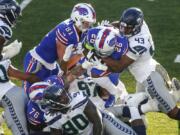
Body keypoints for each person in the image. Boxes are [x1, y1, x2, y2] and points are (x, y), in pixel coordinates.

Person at [98, 7, 180, 120]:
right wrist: (107, 28)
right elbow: (122, 25)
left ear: (136, 28)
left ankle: (174, 96)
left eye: (128, 28)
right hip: (146, 72)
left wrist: (100, 52)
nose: (124, 30)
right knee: (137, 108)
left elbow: (119, 66)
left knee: (173, 113)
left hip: (149, 78)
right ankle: (174, 95)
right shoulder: (137, 24)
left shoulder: (140, 41)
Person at [23, 3, 96, 94]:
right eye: (86, 22)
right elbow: (64, 65)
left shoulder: (78, 29)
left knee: (55, 93)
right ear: (76, 18)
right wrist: (81, 54)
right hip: (37, 61)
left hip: (52, 64)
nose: (88, 25)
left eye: (89, 22)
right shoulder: (66, 31)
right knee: (32, 94)